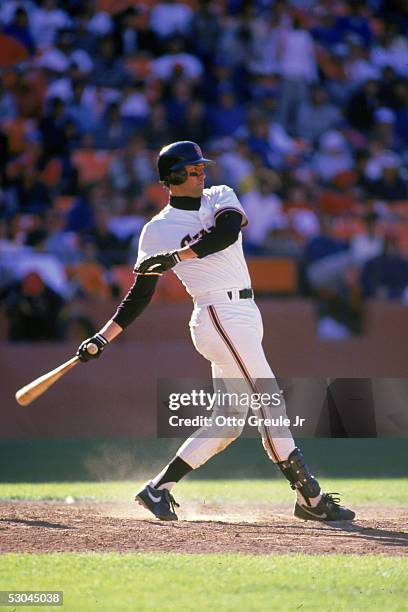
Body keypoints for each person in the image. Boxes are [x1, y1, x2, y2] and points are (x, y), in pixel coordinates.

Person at [76, 140, 355, 523]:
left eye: (201, 167)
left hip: (242, 312)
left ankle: (157, 490)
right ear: (173, 177)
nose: (202, 173)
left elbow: (225, 234)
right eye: (193, 169)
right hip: (217, 312)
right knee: (269, 401)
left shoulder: (219, 195)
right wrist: (103, 337)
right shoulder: (157, 230)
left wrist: (176, 257)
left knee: (227, 421)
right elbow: (139, 294)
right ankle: (309, 496)